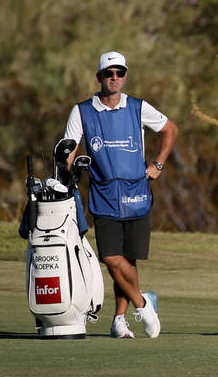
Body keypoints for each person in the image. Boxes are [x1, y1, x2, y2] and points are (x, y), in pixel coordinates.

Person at [63, 51, 179, 339]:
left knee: (130, 259)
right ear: (99, 77)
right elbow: (69, 148)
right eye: (108, 73)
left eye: (119, 73)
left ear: (125, 76)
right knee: (111, 258)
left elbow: (170, 130)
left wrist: (159, 165)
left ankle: (119, 320)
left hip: (136, 192)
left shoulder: (137, 106)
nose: (114, 78)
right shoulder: (82, 111)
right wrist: (67, 177)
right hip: (103, 193)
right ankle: (144, 304)